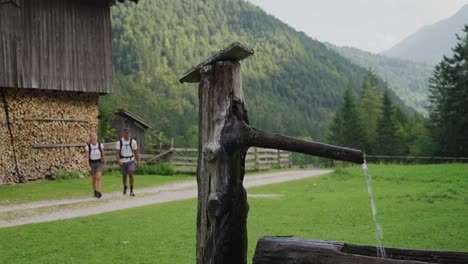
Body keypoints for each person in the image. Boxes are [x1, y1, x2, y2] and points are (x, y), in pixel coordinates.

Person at [116, 128, 139, 196]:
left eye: (128, 133)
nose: (127, 134)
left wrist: (137, 161)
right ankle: (125, 186)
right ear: (123, 133)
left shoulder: (133, 142)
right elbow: (117, 152)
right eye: (126, 133)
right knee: (124, 175)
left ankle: (131, 190)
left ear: (130, 134)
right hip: (123, 161)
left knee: (131, 173)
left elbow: (136, 151)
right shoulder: (119, 142)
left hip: (131, 160)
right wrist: (118, 160)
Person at [85, 133, 107, 198]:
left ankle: (99, 192)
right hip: (92, 163)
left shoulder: (100, 145)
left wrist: (105, 164)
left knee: (98, 177)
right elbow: (86, 157)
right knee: (94, 178)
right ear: (91, 138)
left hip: (99, 163)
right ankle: (95, 191)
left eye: (95, 136)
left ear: (97, 138)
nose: (94, 138)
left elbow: (103, 155)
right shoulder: (88, 147)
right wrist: (88, 165)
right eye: (93, 137)